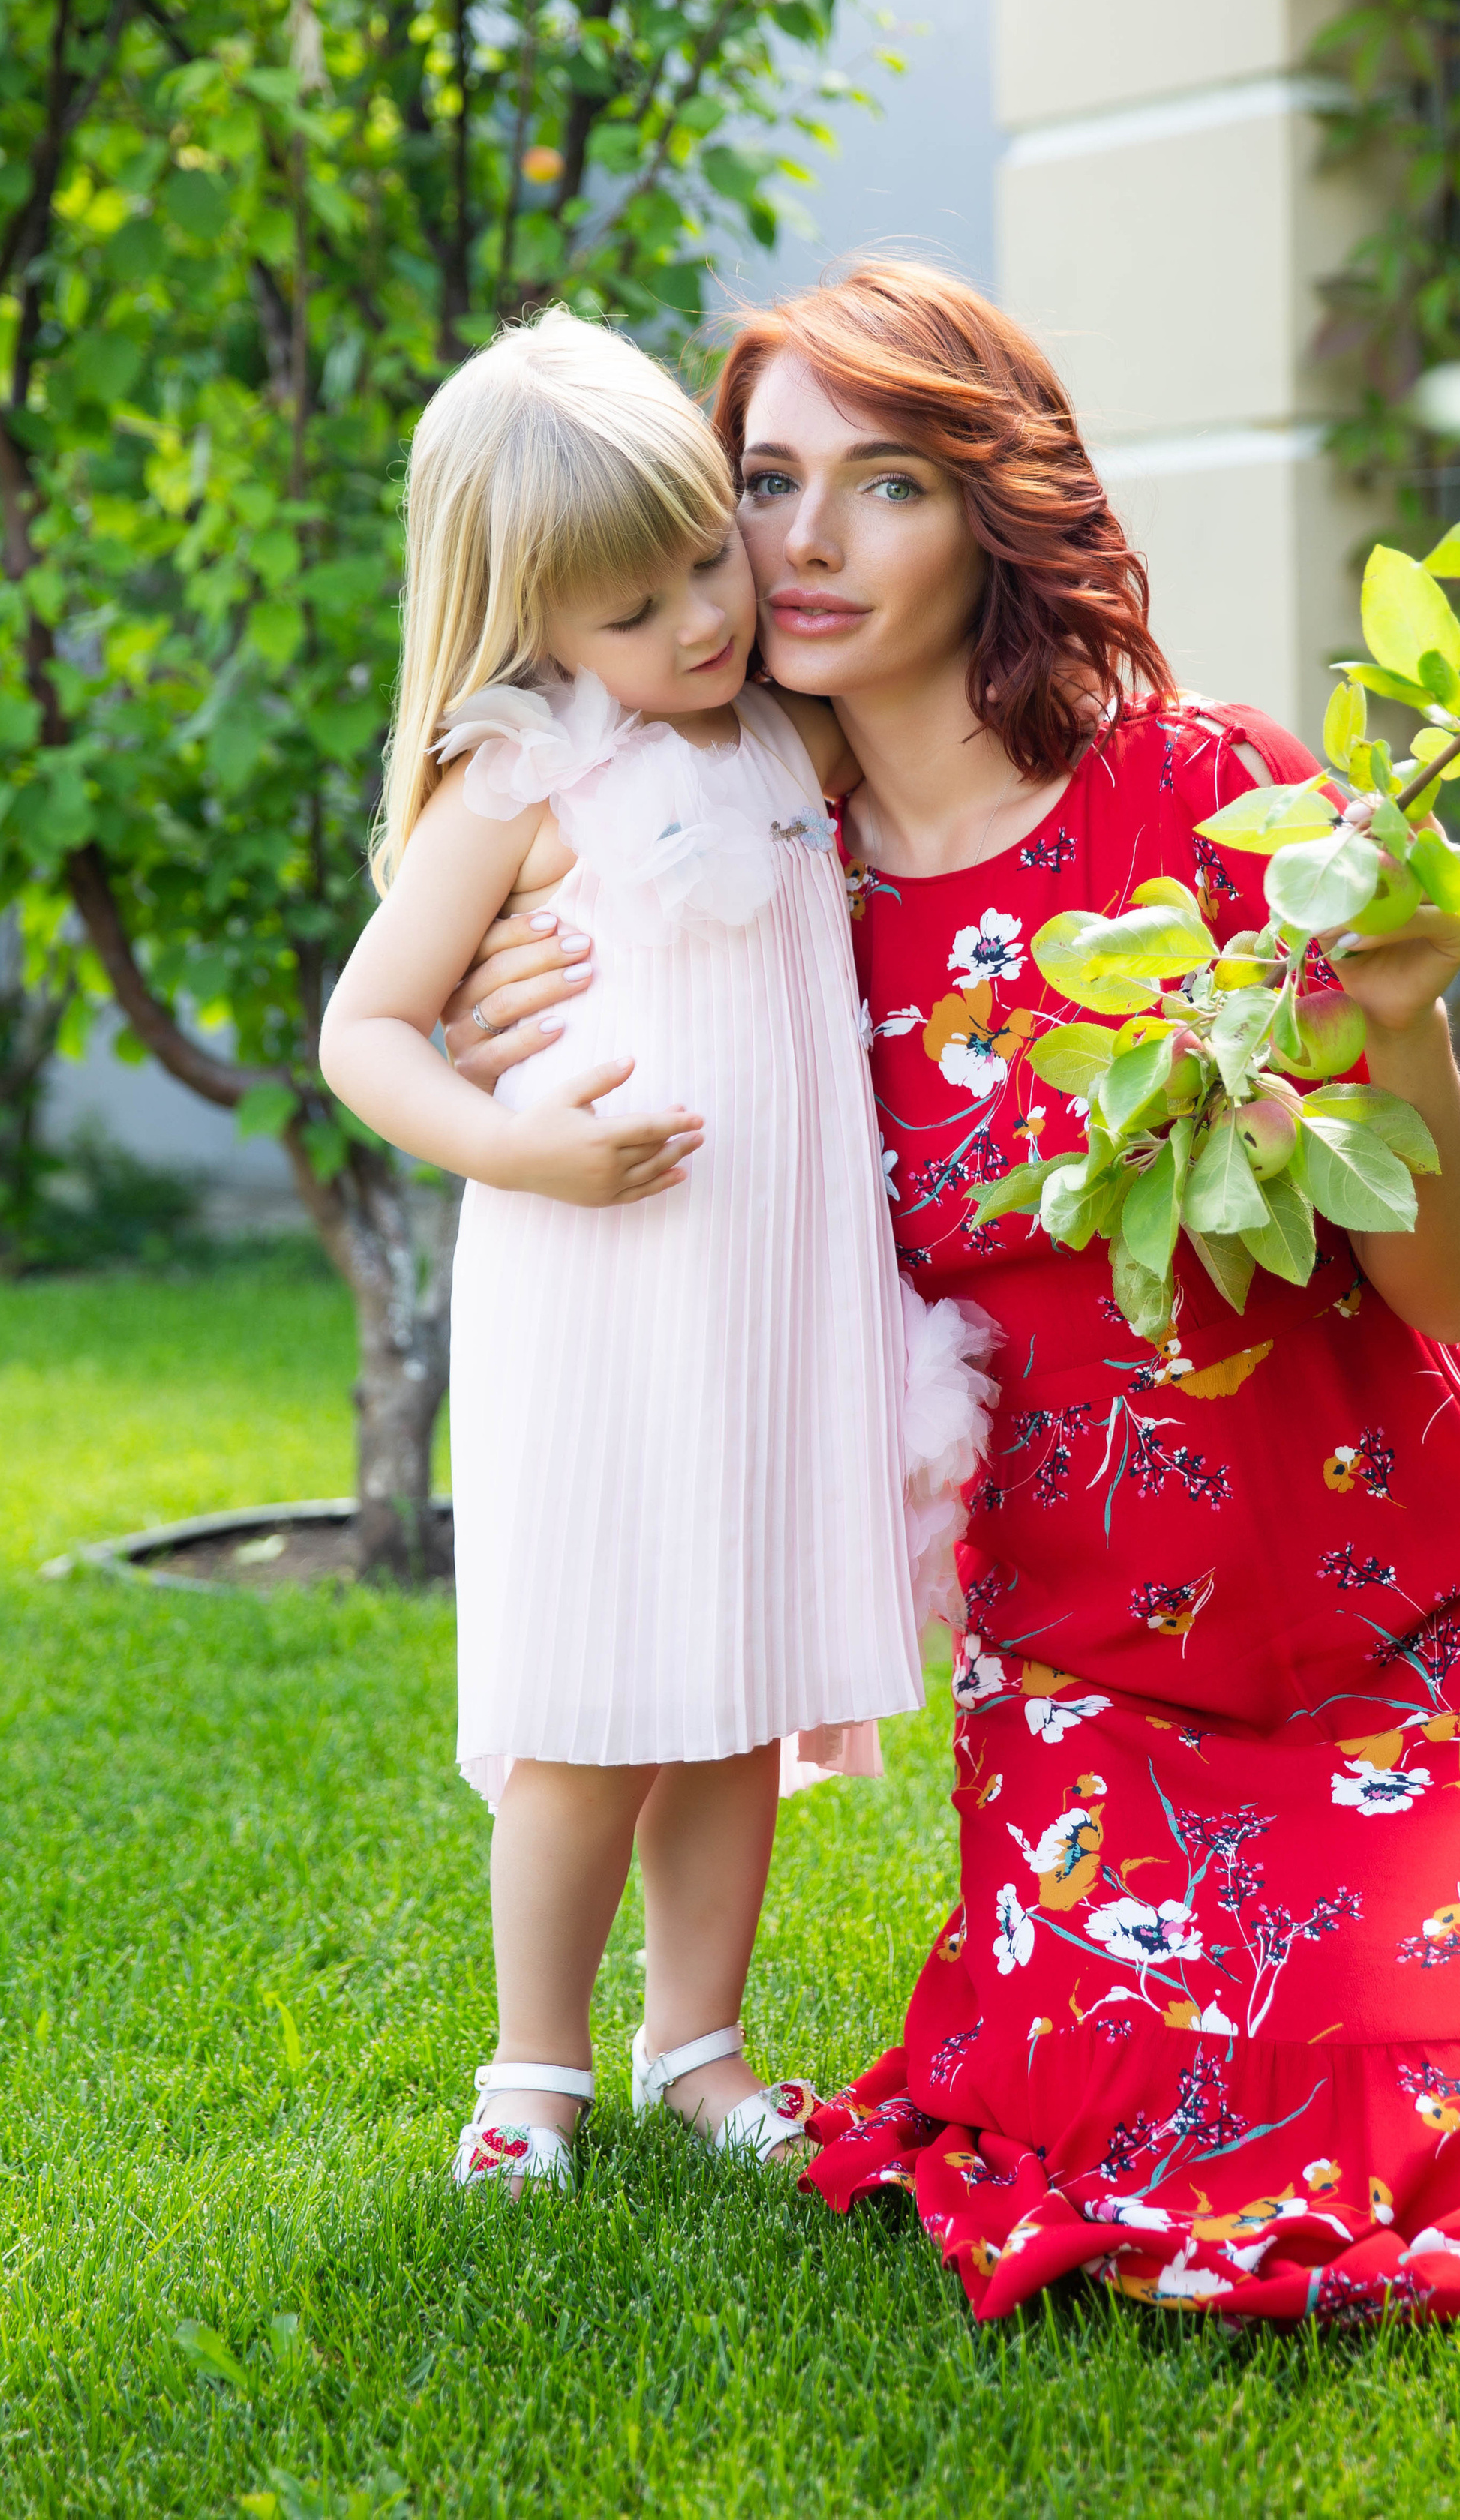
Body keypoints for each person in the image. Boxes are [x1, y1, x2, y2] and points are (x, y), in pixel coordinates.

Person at [439, 263, 1460, 2318]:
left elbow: (1441, 1288)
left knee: (1422, 2104)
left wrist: (1410, 1043)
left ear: (988, 511)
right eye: (764, 478)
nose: (804, 541)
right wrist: (495, 1025)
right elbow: (473, 963)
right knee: (1144, 2108)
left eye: (885, 480)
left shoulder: (1209, 799)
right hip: (1093, 1672)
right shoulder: (740, 863)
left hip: (1407, 1627)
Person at [320, 308, 991, 2200]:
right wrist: (512, 1136)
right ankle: (532, 2060)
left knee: (736, 1688)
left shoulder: (788, 732)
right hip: (600, 1303)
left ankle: (700, 2038)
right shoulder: (520, 779)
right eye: (632, 613)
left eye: (708, 558)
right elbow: (366, 1031)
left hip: (772, 1307)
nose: (699, 621)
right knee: (592, 1702)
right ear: (531, 632)